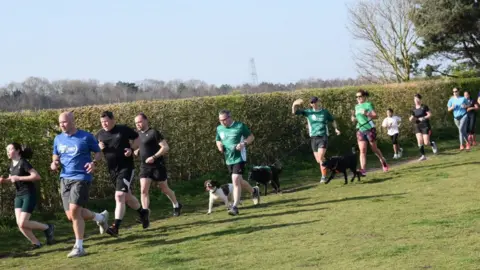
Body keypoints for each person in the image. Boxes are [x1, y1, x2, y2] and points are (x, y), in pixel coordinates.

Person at [51, 111, 109, 258]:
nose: (62, 125)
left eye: (64, 122)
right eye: (60, 123)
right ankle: (100, 218)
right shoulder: (58, 139)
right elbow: (56, 155)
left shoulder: (86, 137)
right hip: (65, 178)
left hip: (81, 177)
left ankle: (79, 247)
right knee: (71, 216)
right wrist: (55, 162)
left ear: (72, 121)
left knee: (75, 210)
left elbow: (98, 153)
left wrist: (93, 163)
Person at [95, 111, 148, 236]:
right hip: (112, 169)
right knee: (127, 197)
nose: (105, 124)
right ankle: (143, 212)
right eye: (102, 122)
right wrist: (99, 148)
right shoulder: (100, 134)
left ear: (113, 120)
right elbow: (97, 151)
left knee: (119, 196)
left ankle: (115, 227)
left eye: (107, 121)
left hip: (126, 167)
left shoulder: (122, 129)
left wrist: (131, 149)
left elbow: (138, 139)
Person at [0, 143, 55, 250]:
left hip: (29, 194)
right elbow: (13, 179)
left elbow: (36, 176)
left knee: (23, 222)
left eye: (10, 149)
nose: (7, 152)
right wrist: (4, 181)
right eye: (6, 150)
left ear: (18, 151)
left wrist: (19, 178)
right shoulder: (11, 164)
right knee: (20, 224)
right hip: (19, 195)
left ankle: (48, 227)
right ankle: (36, 243)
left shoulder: (23, 163)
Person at [134, 113, 182, 227]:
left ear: (146, 120)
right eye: (136, 123)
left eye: (140, 122)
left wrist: (154, 157)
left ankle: (176, 204)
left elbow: (165, 147)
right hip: (144, 167)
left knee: (165, 189)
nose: (138, 125)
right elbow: (141, 146)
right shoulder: (137, 135)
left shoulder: (154, 133)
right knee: (143, 191)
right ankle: (145, 215)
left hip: (157, 165)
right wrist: (136, 150)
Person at [215, 109, 260, 216]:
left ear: (229, 117)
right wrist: (219, 146)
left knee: (235, 180)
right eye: (220, 120)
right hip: (228, 158)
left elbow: (251, 137)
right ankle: (254, 191)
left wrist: (243, 143)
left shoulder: (240, 126)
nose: (222, 122)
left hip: (239, 157)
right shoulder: (219, 128)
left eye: (224, 120)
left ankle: (234, 206)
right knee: (239, 181)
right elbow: (218, 140)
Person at [291, 96, 341, 183]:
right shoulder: (308, 112)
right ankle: (333, 165)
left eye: (315, 102)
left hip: (323, 136)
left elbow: (333, 120)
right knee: (319, 160)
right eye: (311, 102)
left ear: (318, 102)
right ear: (310, 104)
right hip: (313, 138)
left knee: (321, 157)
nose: (313, 104)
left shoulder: (324, 112)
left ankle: (323, 177)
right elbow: (294, 112)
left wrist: (336, 129)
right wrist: (294, 104)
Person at [351, 89, 389, 176]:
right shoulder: (356, 107)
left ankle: (383, 161)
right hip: (360, 129)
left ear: (364, 97)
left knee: (374, 149)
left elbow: (375, 116)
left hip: (369, 129)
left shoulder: (368, 104)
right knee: (362, 150)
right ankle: (363, 169)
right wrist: (354, 119)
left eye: (360, 96)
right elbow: (359, 118)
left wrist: (367, 113)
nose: (358, 98)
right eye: (357, 97)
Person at [409, 94, 438, 161]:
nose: (416, 101)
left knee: (426, 142)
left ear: (420, 99)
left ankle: (432, 144)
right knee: (419, 141)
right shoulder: (413, 109)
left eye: (417, 99)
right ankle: (423, 156)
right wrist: (411, 118)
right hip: (417, 126)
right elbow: (412, 117)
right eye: (414, 99)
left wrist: (424, 117)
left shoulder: (424, 107)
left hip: (425, 125)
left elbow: (430, 114)